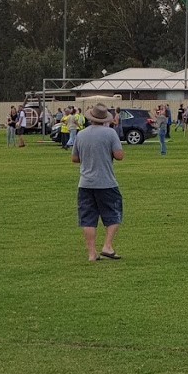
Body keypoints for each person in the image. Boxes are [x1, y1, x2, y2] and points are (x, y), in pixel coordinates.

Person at [73, 102, 124, 262]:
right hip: (106, 182)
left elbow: (74, 158)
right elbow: (119, 155)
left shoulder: (81, 135)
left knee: (88, 218)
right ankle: (107, 245)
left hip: (85, 183)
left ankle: (91, 253)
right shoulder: (110, 133)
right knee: (114, 214)